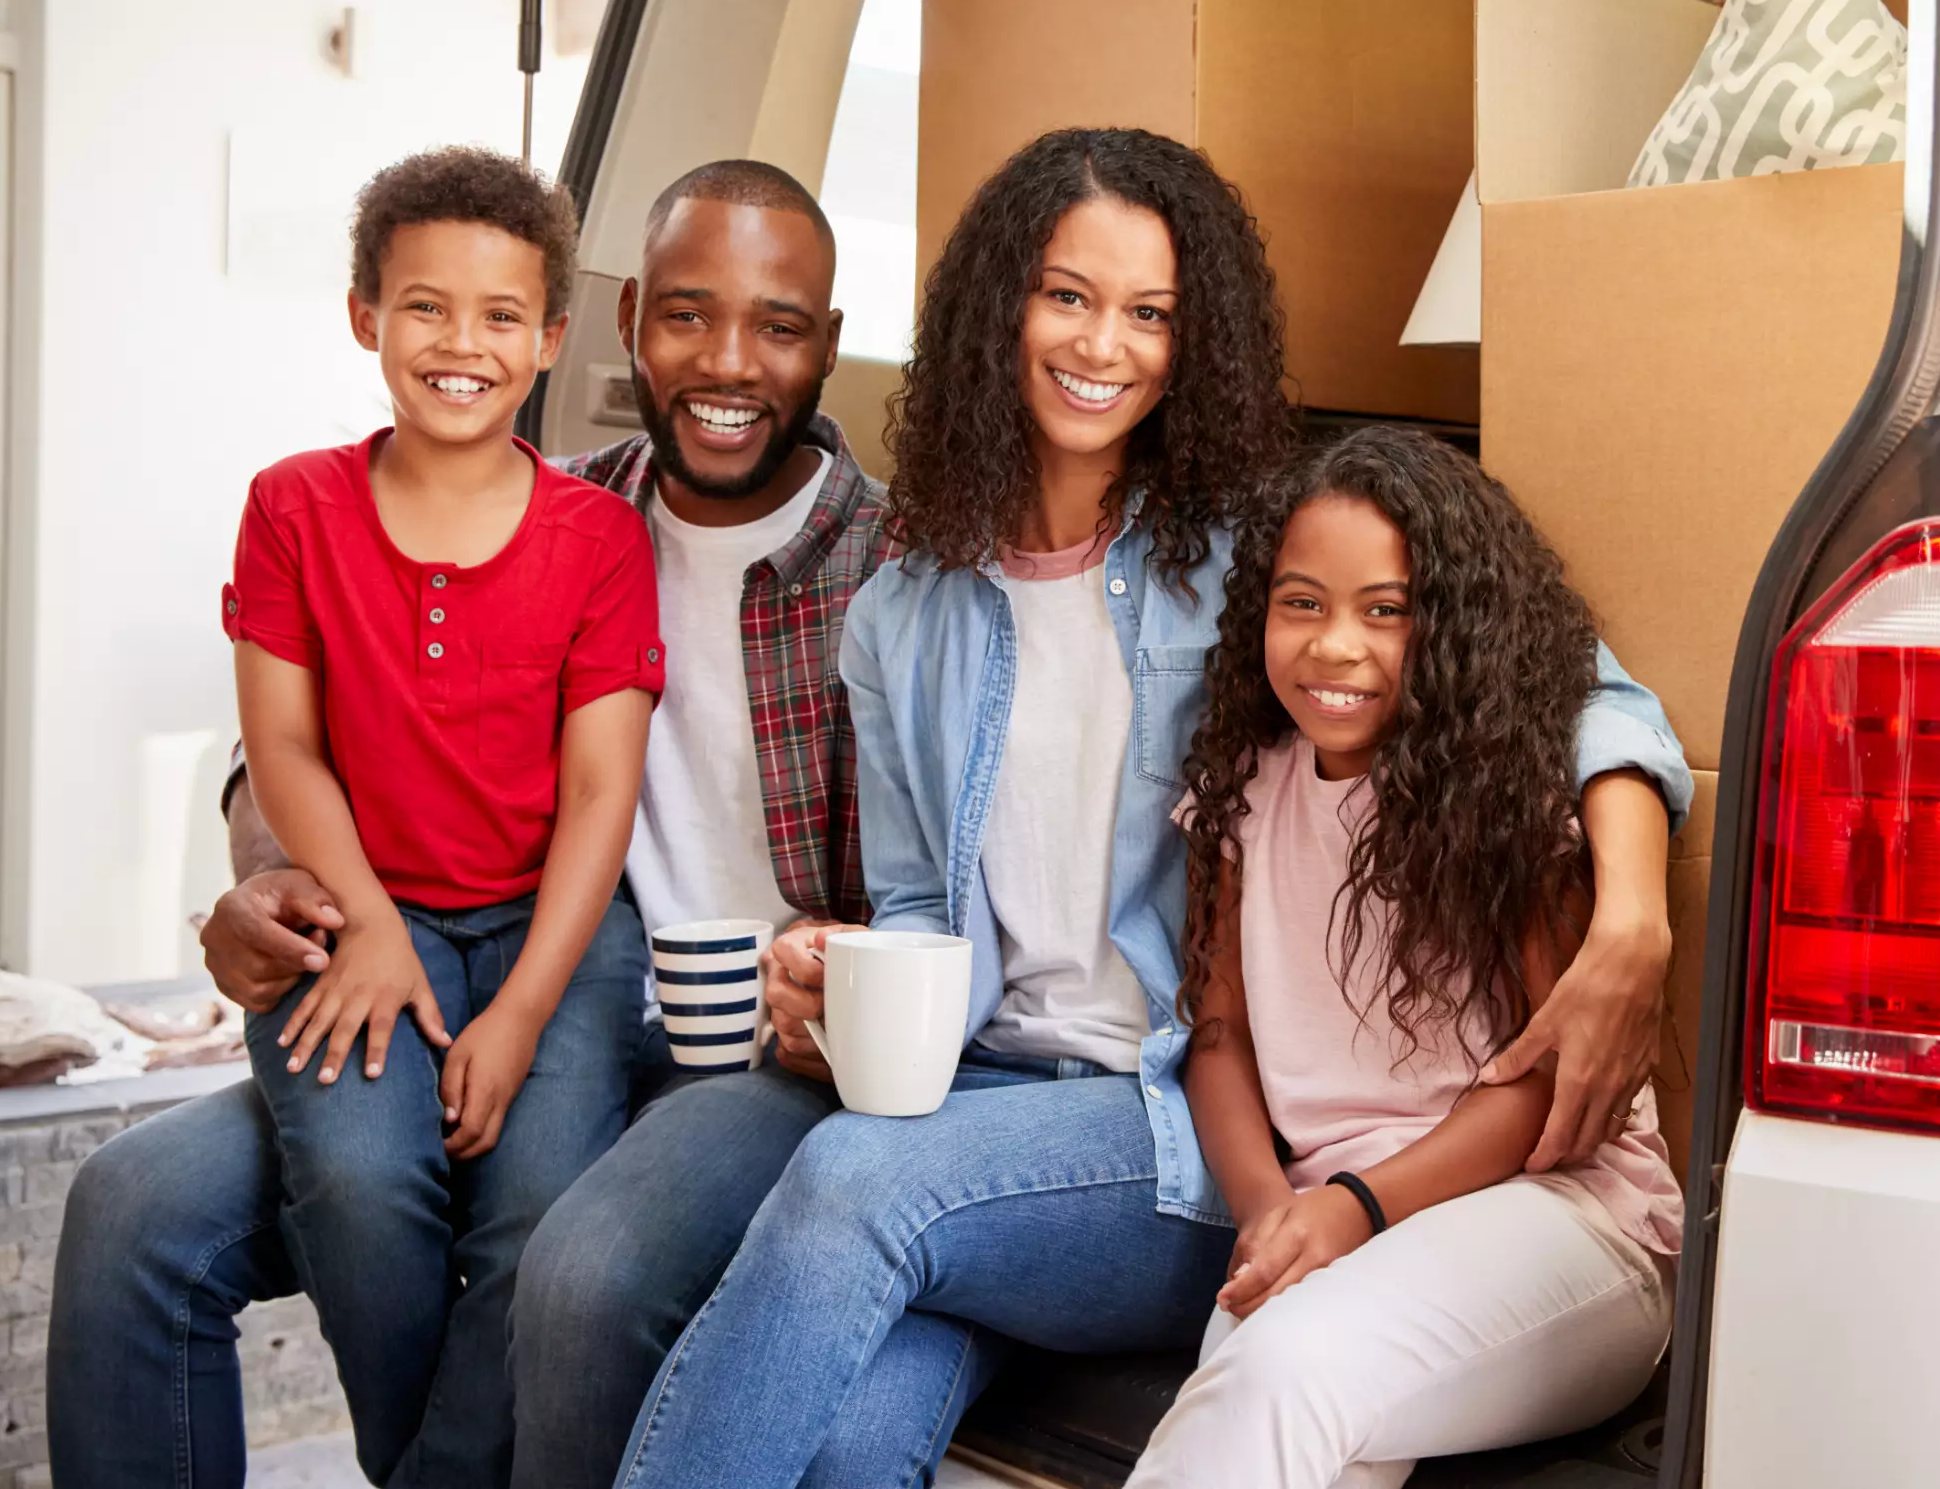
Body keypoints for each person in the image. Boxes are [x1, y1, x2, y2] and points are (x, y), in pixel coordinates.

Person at [608, 127, 1693, 1487]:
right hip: (985, 1098)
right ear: (999, 308)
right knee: (851, 1426)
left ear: (1195, 342)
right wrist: (839, 983)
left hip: (1168, 1121)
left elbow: (1589, 692)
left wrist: (1636, 919)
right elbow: (914, 909)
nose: (1102, 344)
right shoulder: (898, 613)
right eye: (1067, 295)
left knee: (849, 1185)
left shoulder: (1267, 555)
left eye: (1150, 312)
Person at [46, 157, 887, 1489]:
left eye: (777, 324)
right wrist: (272, 886)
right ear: (618, 327)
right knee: (131, 1206)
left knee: (573, 1263)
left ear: (826, 345)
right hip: (442, 965)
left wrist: (841, 970)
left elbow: (943, 889)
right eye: (685, 312)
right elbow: (304, 743)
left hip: (729, 1059)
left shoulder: (895, 574)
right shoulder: (565, 499)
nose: (728, 359)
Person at [1126, 427, 1682, 1488]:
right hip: (1329, 1223)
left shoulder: (1510, 797)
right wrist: (1269, 1215)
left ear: (1455, 627)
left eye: (1387, 610)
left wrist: (1353, 1208)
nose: (1337, 644)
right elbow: (1219, 1033)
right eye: (1302, 602)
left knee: (1285, 1371)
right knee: (1286, 1412)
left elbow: (1548, 1090)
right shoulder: (1243, 789)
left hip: (1565, 1224)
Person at [224, 145, 662, 1487]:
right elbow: (284, 744)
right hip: (364, 910)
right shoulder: (292, 505)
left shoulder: (598, 538)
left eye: (497, 315)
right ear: (367, 316)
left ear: (548, 338)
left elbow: (603, 790)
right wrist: (365, 927)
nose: (459, 342)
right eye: (424, 306)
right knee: (362, 1191)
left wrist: (525, 1005)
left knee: (539, 1217)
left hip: (557, 935)